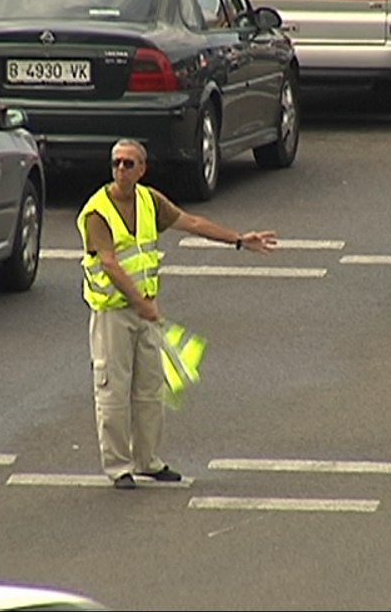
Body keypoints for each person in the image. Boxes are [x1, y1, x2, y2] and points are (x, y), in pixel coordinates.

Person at [76, 139, 277, 490]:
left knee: (150, 388)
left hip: (145, 312)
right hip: (114, 314)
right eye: (116, 163)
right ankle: (118, 466)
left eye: (128, 164)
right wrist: (140, 302)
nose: (121, 170)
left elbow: (193, 222)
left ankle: (148, 461)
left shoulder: (149, 201)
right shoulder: (98, 211)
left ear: (142, 169)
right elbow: (108, 263)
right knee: (113, 391)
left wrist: (239, 240)